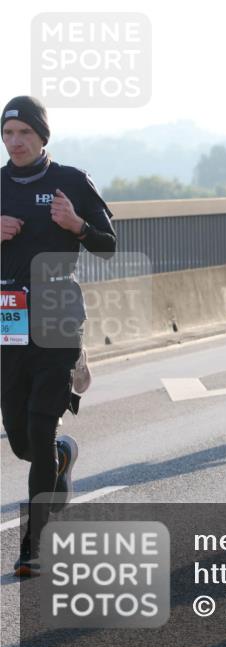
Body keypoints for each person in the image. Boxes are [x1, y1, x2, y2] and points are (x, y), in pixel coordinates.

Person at [2, 96, 117, 577]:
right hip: (9, 321)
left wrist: (77, 225)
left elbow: (108, 245)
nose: (15, 142)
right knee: (22, 441)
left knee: (42, 426)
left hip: (58, 318)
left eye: (24, 132)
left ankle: (34, 545)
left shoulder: (70, 181)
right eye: (8, 133)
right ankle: (61, 458)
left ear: (42, 136)